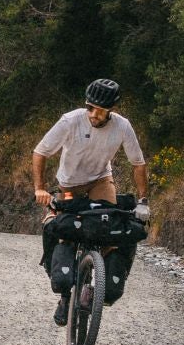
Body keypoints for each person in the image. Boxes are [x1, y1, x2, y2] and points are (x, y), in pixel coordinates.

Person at [33, 78, 149, 326]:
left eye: (99, 110)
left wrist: (143, 201)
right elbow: (40, 152)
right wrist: (40, 188)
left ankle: (96, 286)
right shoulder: (70, 120)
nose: (93, 114)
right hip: (69, 184)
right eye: (89, 107)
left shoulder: (122, 127)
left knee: (110, 229)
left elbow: (138, 163)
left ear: (111, 110)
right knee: (65, 230)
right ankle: (65, 296)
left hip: (100, 180)